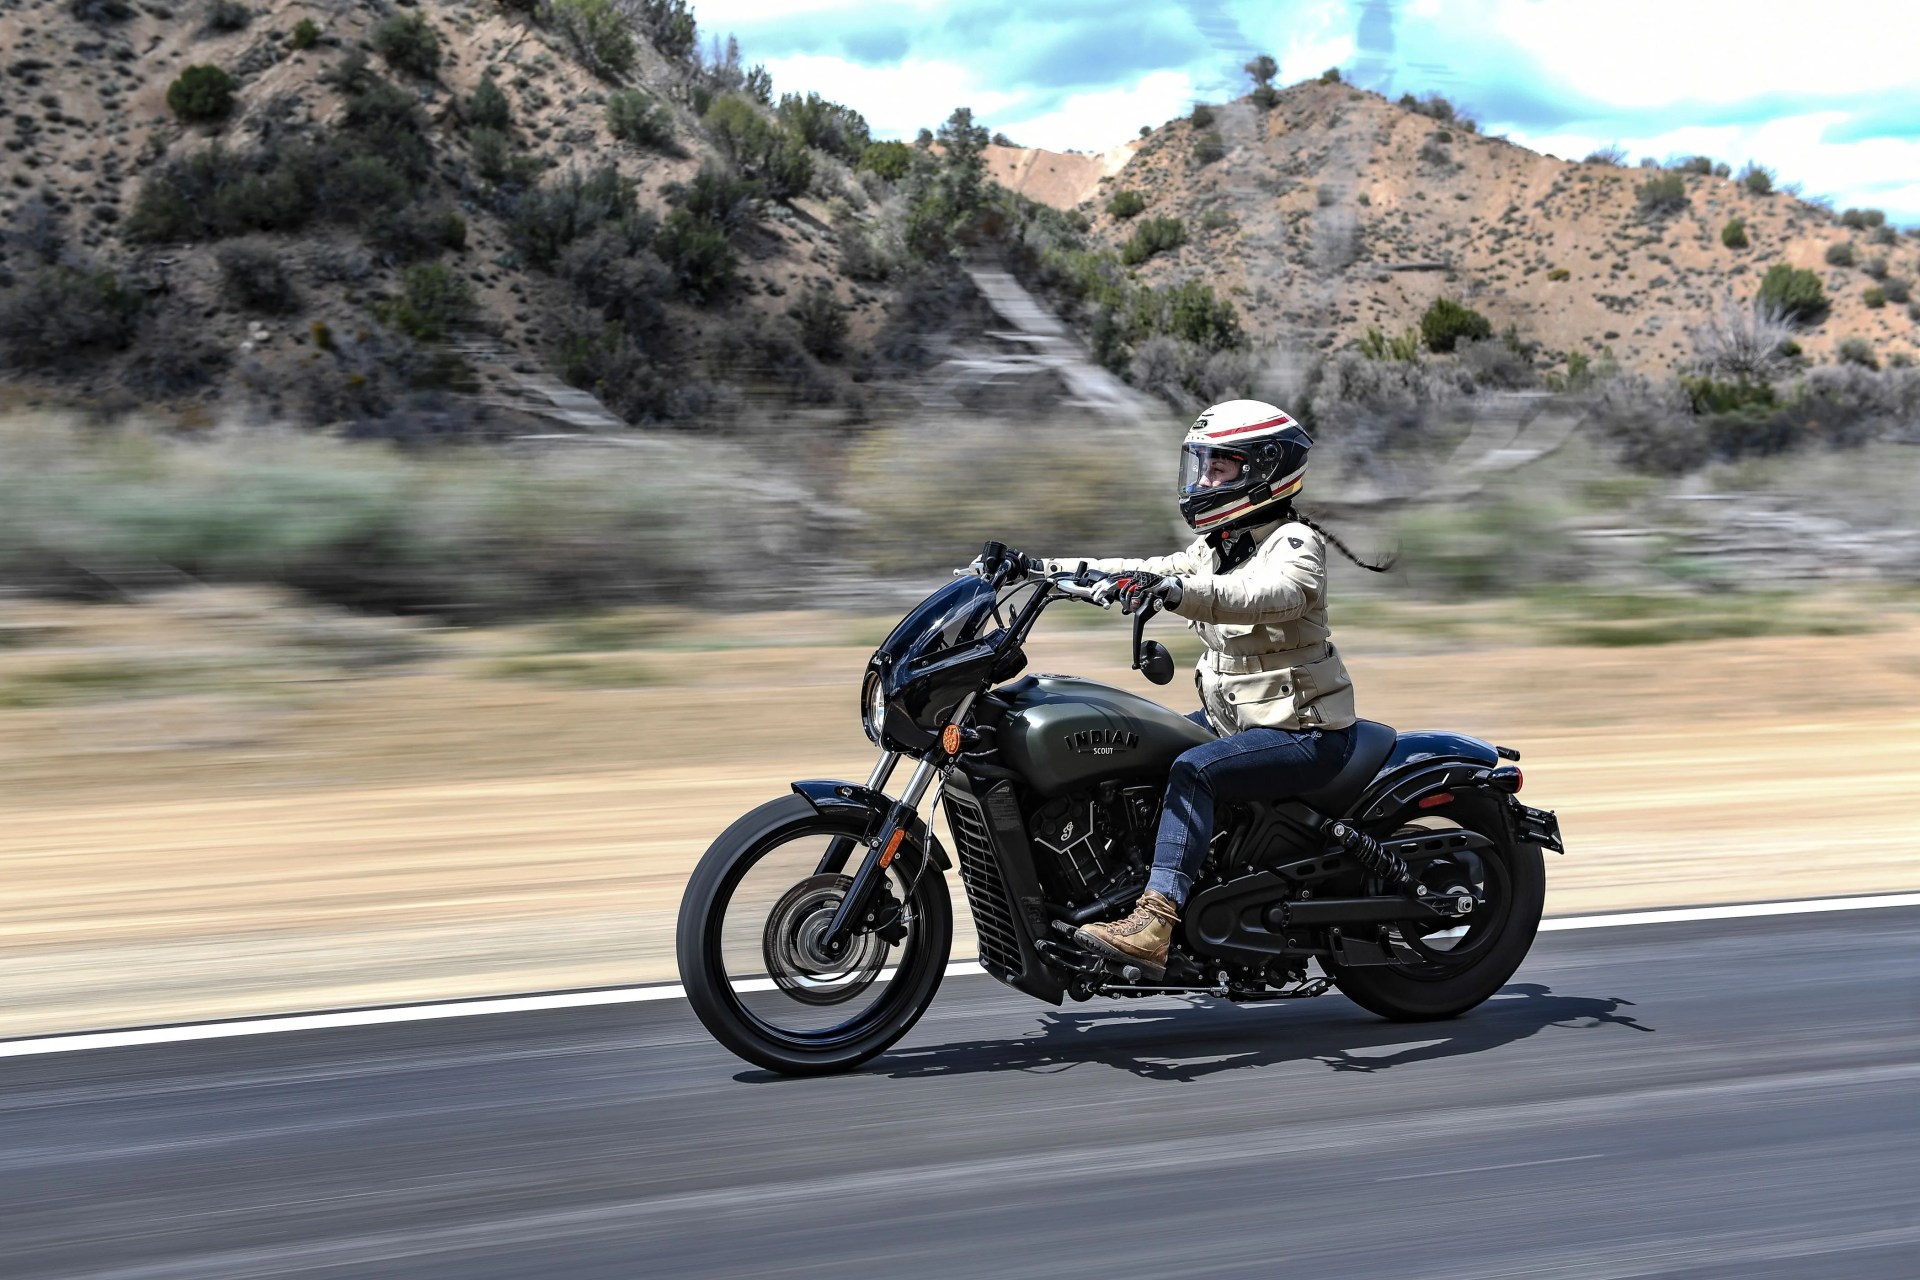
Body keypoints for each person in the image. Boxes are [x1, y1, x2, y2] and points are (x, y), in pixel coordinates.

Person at [1005, 400, 1391, 979]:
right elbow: (1141, 565)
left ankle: (1155, 925)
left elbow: (1260, 597)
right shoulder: (1217, 546)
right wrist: (1035, 567)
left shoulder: (1292, 546)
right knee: (1136, 753)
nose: (1204, 480)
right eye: (1202, 466)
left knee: (1194, 771)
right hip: (1236, 721)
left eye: (1220, 468)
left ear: (1264, 470)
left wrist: (1173, 593)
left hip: (1302, 730)